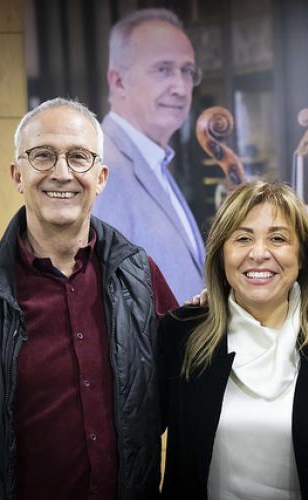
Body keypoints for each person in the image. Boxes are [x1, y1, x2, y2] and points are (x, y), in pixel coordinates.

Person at [0, 98, 178, 499]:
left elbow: (184, 390)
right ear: (18, 175)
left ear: (101, 177)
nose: (61, 173)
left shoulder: (141, 275)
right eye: (43, 155)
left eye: (79, 157)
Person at [159, 181, 308, 499]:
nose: (259, 253)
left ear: (303, 256)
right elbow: (137, 439)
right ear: (221, 255)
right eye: (243, 238)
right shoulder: (182, 332)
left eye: (278, 238)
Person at [93, 7, 205, 304]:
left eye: (187, 71)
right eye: (163, 69)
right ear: (118, 81)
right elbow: (101, 299)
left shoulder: (156, 160)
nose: (181, 88)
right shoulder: (101, 166)